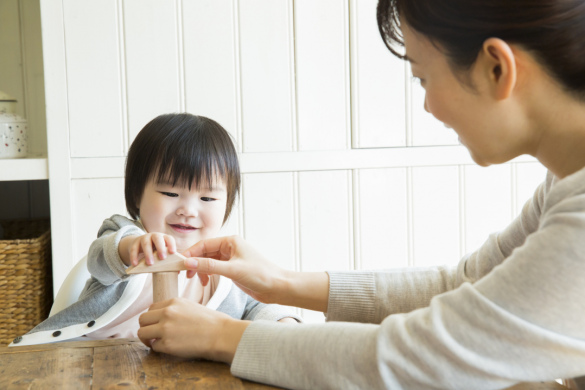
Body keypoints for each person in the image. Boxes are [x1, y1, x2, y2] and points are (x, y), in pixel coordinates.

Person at [136, 1, 585, 389]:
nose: (427, 106)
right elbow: (463, 284)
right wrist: (282, 283)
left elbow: (425, 357)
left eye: (422, 77)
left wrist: (222, 336)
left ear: (496, 68)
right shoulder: (565, 183)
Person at [11, 113, 300, 347]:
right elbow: (99, 260)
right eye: (170, 193)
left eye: (207, 198)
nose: (188, 209)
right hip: (91, 357)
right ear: (137, 194)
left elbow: (257, 304)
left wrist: (282, 324)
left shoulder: (225, 265)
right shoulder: (126, 235)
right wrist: (130, 249)